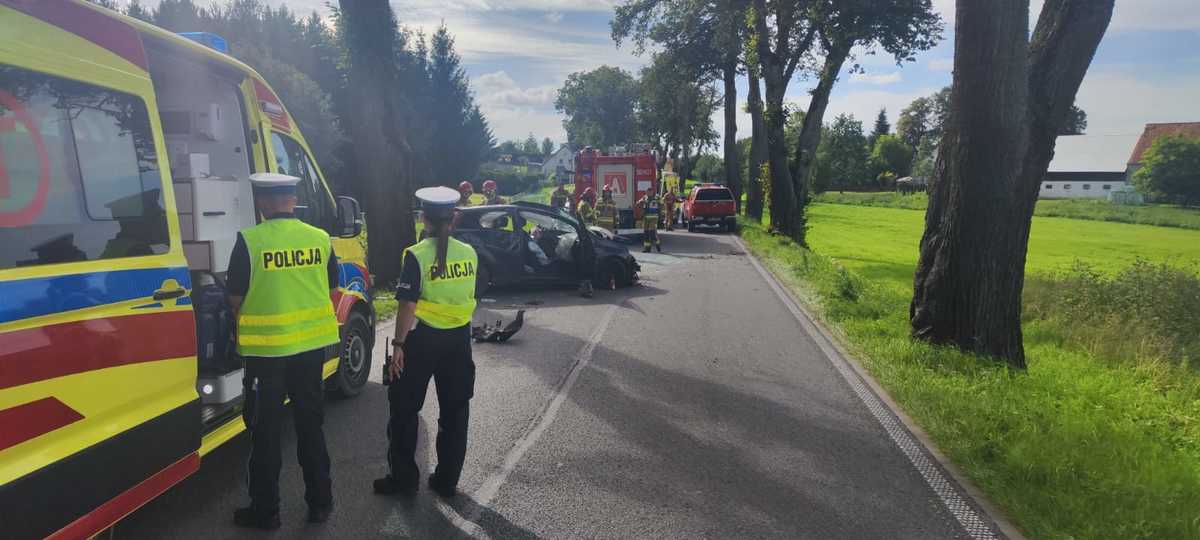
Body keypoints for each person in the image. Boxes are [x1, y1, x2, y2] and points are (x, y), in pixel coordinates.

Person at [227, 173, 339, 530]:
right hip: (309, 351)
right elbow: (332, 285)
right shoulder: (320, 239)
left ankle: (266, 511)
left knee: (266, 433)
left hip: (266, 355)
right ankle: (321, 504)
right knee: (311, 428)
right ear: (293, 200)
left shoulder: (249, 240)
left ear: (262, 203)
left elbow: (234, 299)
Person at [374, 186, 479, 499]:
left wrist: (397, 347)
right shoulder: (469, 253)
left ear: (424, 217)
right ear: (454, 218)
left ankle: (404, 479)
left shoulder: (416, 255)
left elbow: (407, 305)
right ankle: (447, 481)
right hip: (459, 340)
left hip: (421, 340)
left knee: (404, 410)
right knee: (455, 411)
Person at [637, 187, 662, 253]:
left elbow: (661, 205)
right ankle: (647, 248)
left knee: (652, 233)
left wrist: (661, 214)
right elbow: (639, 202)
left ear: (652, 192)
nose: (648, 193)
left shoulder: (657, 198)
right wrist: (639, 203)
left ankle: (657, 244)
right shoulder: (645, 197)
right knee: (646, 233)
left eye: (650, 192)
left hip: (654, 218)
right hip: (646, 218)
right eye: (647, 192)